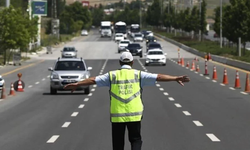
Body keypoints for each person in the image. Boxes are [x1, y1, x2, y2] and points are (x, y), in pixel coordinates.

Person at [64, 51, 190, 150]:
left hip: (117, 116)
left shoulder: (112, 75)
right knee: (136, 140)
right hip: (134, 115)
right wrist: (175, 78)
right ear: (132, 62)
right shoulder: (139, 74)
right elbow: (159, 76)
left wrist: (77, 84)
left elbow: (93, 80)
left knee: (118, 144)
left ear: (120, 62)